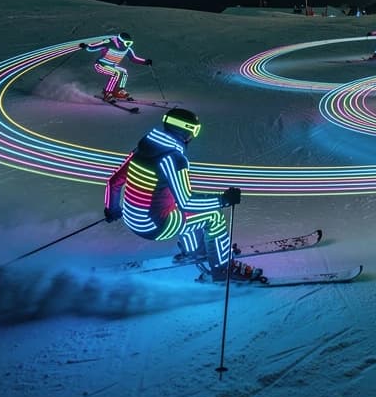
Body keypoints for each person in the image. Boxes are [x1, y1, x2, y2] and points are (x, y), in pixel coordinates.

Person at [104, 108, 261, 281]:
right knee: (213, 216)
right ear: (187, 131)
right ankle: (223, 269)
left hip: (132, 218)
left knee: (178, 207)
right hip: (155, 225)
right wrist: (223, 200)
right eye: (195, 130)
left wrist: (112, 209)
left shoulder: (142, 149)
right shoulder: (173, 159)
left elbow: (113, 182)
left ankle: (194, 250)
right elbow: (187, 202)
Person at [80, 30, 152, 100]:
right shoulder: (109, 43)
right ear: (120, 42)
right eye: (127, 43)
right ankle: (107, 93)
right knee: (115, 73)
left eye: (130, 43)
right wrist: (86, 46)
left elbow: (133, 58)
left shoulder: (127, 49)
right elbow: (94, 47)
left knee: (124, 72)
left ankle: (119, 90)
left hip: (112, 66)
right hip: (100, 65)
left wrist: (145, 62)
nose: (128, 45)